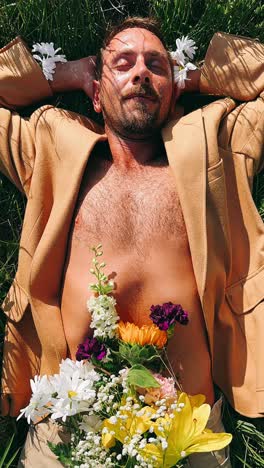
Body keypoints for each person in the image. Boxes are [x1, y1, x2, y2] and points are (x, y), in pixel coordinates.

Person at [0, 16, 263, 467]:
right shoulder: (50, 148)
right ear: (98, 94)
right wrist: (67, 73)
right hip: (68, 427)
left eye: (157, 66)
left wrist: (195, 76)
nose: (141, 73)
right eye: (123, 63)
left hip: (188, 428)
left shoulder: (216, 142)